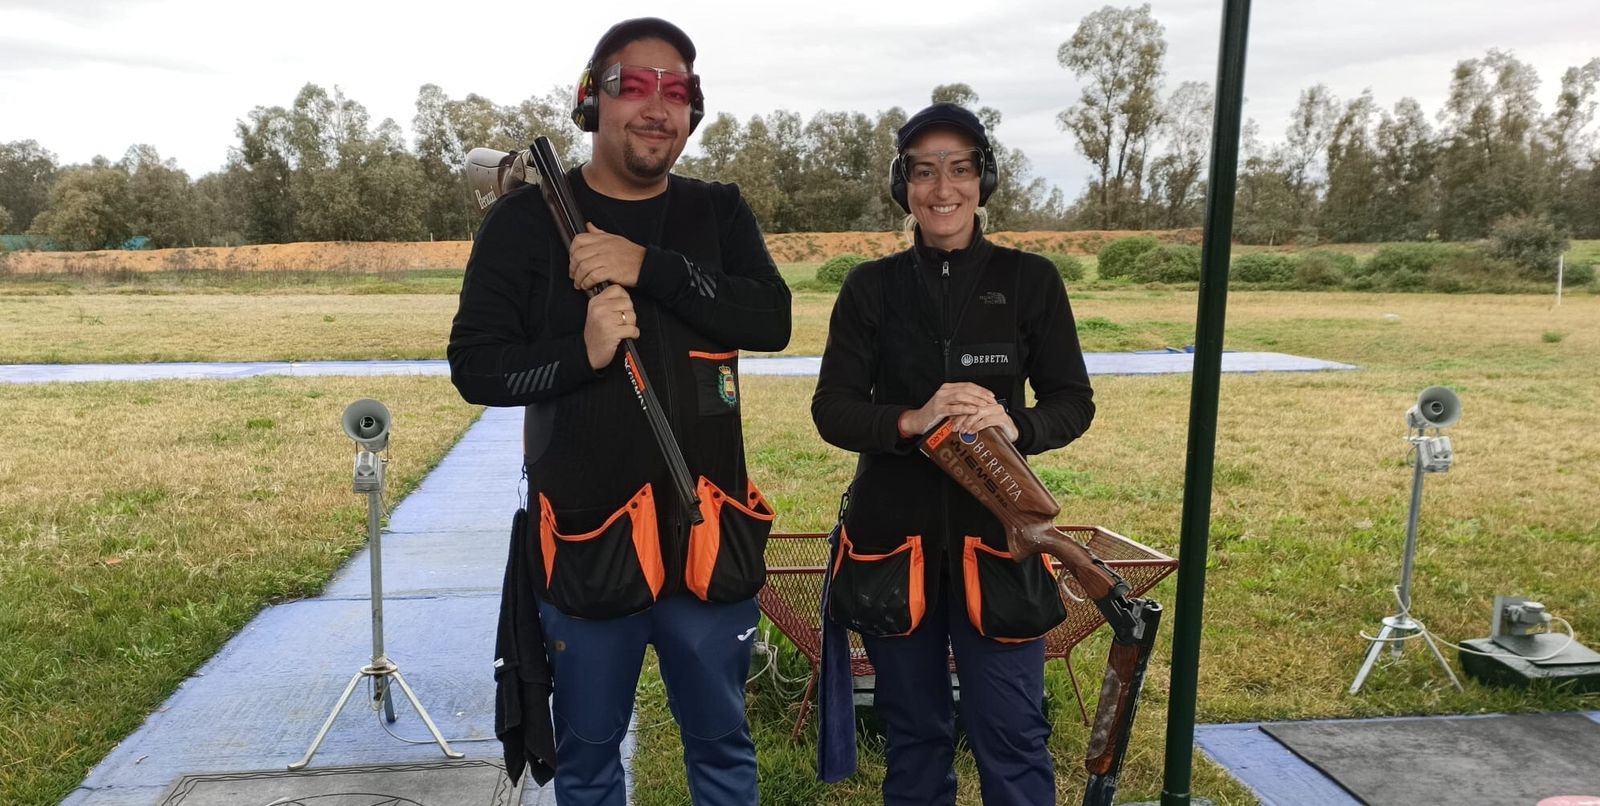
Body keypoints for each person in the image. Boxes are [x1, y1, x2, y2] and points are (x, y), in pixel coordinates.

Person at [448, 17, 791, 805]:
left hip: (711, 540)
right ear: (590, 101)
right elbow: (476, 367)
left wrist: (649, 268)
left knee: (723, 751)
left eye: (676, 90)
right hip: (587, 544)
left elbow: (770, 320)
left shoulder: (718, 213)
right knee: (589, 757)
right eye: (632, 84)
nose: (655, 105)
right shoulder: (527, 223)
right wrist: (583, 353)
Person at [811, 102, 1096, 805]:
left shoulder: (1031, 281)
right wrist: (911, 419)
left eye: (960, 170)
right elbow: (832, 409)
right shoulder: (868, 288)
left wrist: (1015, 424)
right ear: (902, 185)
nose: (944, 189)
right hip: (891, 548)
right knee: (913, 735)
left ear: (984, 180)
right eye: (924, 172)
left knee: (1013, 735)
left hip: (1000, 543)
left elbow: (1073, 400)